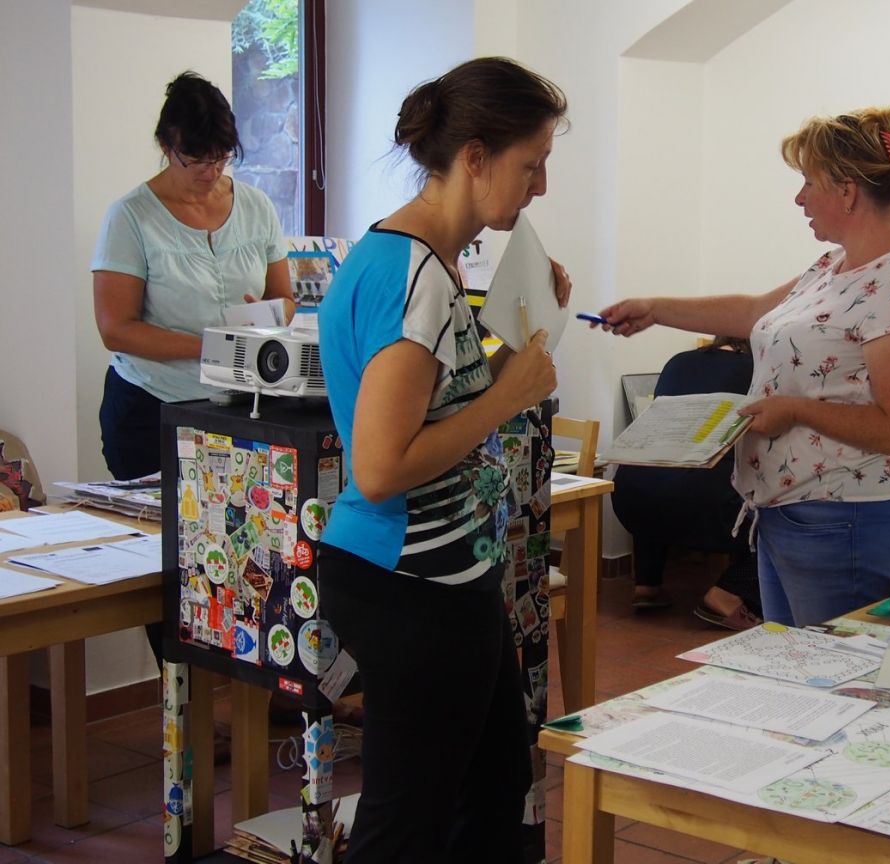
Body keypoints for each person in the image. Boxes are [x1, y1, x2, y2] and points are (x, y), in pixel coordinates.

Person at [315, 57, 570, 862]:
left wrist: (515, 348)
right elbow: (381, 467)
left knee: (493, 791)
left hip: (448, 576)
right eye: (531, 165)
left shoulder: (420, 259)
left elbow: (437, 398)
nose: (540, 188)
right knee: (408, 825)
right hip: (409, 583)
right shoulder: (415, 276)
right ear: (475, 158)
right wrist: (507, 395)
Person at [598, 107, 890, 627]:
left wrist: (794, 410)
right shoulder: (837, 264)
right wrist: (656, 309)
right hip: (793, 511)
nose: (799, 198)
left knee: (834, 666)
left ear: (847, 191)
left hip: (848, 516)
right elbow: (754, 312)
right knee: (794, 661)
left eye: (808, 182)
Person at [92, 71, 294, 481]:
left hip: (244, 404)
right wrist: (210, 347)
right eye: (196, 159)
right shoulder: (130, 217)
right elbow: (116, 330)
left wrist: (269, 318)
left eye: (221, 157)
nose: (210, 171)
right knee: (160, 518)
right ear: (166, 147)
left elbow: (285, 299)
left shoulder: (256, 206)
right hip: (152, 405)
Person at [612, 337, 763, 629]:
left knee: (659, 474)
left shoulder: (677, 362)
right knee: (781, 521)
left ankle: (647, 586)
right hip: (705, 505)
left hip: (628, 496)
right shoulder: (757, 369)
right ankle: (729, 592)